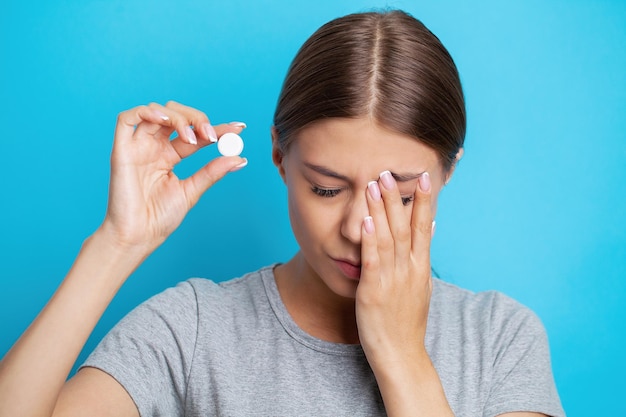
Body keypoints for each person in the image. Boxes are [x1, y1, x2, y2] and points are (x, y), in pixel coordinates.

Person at [0, 9, 565, 417]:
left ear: (447, 174)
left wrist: (400, 355)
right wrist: (116, 243)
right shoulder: (192, 331)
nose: (355, 230)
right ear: (279, 156)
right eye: (326, 189)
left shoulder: (500, 340)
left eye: (401, 196)